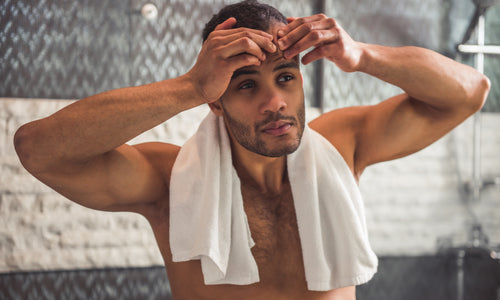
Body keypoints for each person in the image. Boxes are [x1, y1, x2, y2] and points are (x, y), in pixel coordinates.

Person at [14, 0, 489, 299]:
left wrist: (362, 55)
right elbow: (39, 149)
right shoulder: (169, 179)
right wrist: (189, 85)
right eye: (245, 86)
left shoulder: (343, 145)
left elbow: (470, 91)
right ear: (215, 103)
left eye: (286, 77)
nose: (275, 102)